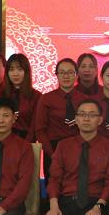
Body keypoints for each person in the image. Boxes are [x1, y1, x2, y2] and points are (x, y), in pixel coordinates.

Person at [31, 100, 109, 215]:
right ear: (76, 119)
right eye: (82, 114)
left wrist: (98, 206)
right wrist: (54, 206)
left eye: (92, 115)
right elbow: (55, 179)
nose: (86, 119)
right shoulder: (63, 145)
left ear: (100, 120)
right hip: (65, 204)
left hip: (94, 203)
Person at [34, 59, 87, 192]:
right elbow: (40, 130)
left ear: (76, 75)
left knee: (78, 187)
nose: (66, 76)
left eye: (70, 72)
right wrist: (52, 154)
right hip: (53, 148)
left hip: (79, 148)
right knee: (54, 188)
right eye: (62, 72)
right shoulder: (46, 99)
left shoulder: (84, 100)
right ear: (56, 75)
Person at [2, 53, 41, 141]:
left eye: (20, 69)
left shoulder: (36, 96)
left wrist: (26, 144)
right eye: (11, 70)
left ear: (26, 72)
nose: (15, 74)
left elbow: (34, 126)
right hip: (4, 139)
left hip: (26, 140)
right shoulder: (0, 94)